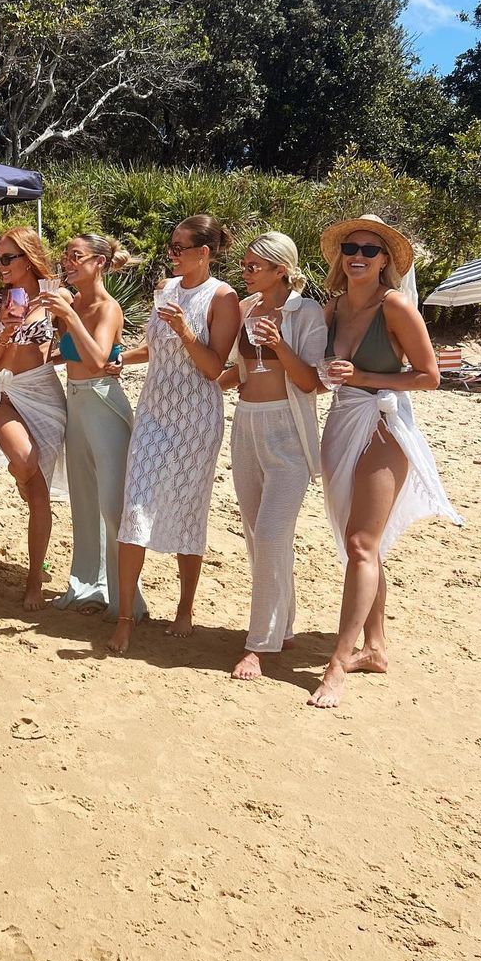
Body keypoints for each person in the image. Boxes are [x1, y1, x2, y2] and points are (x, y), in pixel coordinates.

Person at [309, 214, 462, 708]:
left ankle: (337, 663)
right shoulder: (330, 309)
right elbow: (318, 376)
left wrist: (361, 379)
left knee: (360, 543)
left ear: (384, 262)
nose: (358, 256)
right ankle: (374, 647)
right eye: (350, 248)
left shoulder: (395, 306)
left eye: (369, 250)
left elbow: (429, 377)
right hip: (341, 423)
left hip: (383, 424)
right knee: (358, 544)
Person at [108, 214, 240, 653]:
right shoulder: (164, 288)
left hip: (196, 419)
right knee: (136, 506)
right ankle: (125, 617)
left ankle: (185, 608)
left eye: (180, 248)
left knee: (188, 509)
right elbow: (154, 346)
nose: (172, 253)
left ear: (203, 253)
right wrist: (122, 358)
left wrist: (184, 330)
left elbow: (214, 367)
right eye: (171, 246)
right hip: (153, 411)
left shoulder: (223, 297)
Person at [218, 232, 325, 680]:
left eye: (253, 267)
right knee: (255, 533)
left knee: (270, 533)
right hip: (246, 424)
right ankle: (283, 625)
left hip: (288, 429)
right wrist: (198, 381)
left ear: (281, 270)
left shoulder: (307, 312)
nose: (245, 273)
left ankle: (258, 644)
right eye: (244, 265)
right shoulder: (245, 308)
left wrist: (280, 344)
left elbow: (312, 382)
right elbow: (235, 371)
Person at [41, 232, 145, 623]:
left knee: (113, 506)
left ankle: (127, 601)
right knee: (83, 501)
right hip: (75, 403)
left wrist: (68, 316)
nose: (67, 262)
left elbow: (99, 360)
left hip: (103, 402)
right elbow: (65, 353)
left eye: (76, 256)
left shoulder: (107, 307)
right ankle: (89, 586)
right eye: (66, 256)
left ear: (99, 262)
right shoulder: (73, 303)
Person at [0, 226, 67, 611]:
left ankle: (34, 578)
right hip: (4, 391)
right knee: (25, 462)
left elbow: (75, 343)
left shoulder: (55, 296)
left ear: (28, 259)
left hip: (44, 392)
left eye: (7, 258)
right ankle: (20, 473)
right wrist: (5, 333)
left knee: (39, 493)